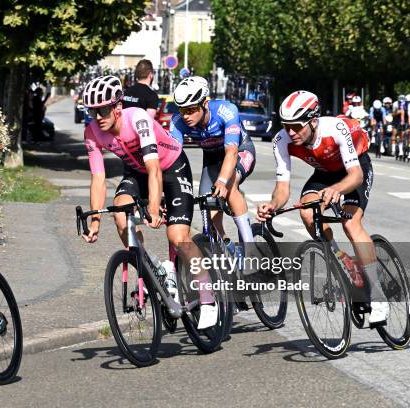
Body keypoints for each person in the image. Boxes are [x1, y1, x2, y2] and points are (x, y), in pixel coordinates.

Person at [81, 75, 218, 329]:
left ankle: (208, 297)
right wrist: (95, 221)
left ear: (117, 107)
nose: (97, 116)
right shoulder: (91, 132)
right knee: (120, 213)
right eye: (92, 111)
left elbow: (154, 168)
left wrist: (154, 208)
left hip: (171, 167)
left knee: (178, 237)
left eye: (102, 110)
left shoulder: (138, 119)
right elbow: (98, 177)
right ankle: (153, 269)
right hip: (136, 172)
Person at [256, 90, 389, 325]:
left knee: (350, 222)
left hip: (355, 168)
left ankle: (379, 298)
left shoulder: (335, 129)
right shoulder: (282, 140)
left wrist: (338, 189)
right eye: (286, 126)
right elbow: (283, 189)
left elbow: (355, 176)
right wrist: (273, 204)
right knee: (306, 211)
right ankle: (343, 260)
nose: (291, 132)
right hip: (324, 172)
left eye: (297, 127)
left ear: (313, 121)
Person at [169, 76, 258, 280]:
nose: (186, 116)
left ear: (205, 103)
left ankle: (251, 251)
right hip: (211, 158)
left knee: (230, 185)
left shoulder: (226, 111)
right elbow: (172, 156)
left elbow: (232, 152)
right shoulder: (178, 122)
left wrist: (222, 180)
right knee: (207, 205)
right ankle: (228, 247)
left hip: (239, 151)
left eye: (191, 109)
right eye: (182, 110)